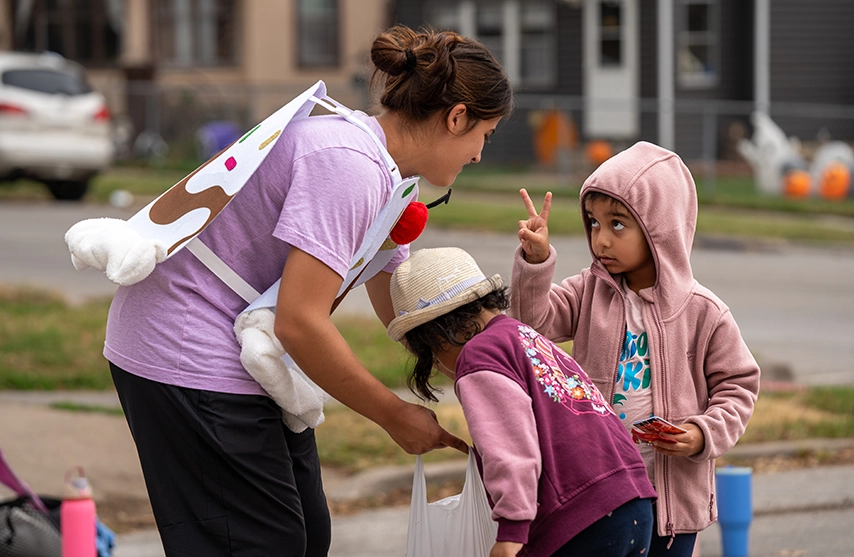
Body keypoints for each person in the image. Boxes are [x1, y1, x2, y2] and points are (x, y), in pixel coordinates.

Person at [102, 25, 512, 557]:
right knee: (263, 544)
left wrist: (490, 377)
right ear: (456, 117)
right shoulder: (349, 165)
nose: (479, 155)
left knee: (307, 536)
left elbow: (402, 308)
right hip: (183, 345)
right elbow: (301, 322)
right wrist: (394, 414)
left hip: (236, 345)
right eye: (486, 134)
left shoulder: (388, 178)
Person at [511, 141, 761, 556]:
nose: (601, 240)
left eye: (617, 225)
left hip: (672, 506)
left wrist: (703, 433)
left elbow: (739, 387)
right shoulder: (587, 291)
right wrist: (535, 263)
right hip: (601, 494)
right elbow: (531, 325)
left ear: (659, 227)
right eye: (593, 223)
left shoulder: (704, 312)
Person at [388, 246, 658, 557]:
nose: (439, 366)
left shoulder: (479, 356)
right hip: (632, 500)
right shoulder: (524, 336)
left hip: (578, 520)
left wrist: (512, 530)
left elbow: (509, 446)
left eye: (431, 357)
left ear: (438, 336)